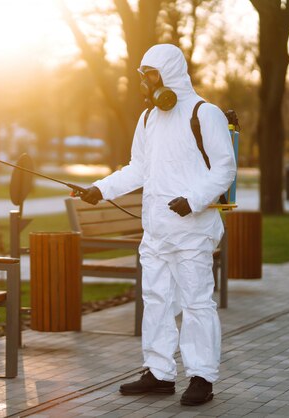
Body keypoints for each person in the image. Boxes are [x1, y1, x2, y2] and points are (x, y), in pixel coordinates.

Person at [80, 44, 236, 406]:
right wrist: (100, 189)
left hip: (193, 230)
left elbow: (224, 168)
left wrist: (193, 200)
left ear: (169, 73)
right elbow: (137, 168)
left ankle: (202, 376)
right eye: (141, 77)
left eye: (150, 76)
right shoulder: (148, 118)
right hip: (156, 231)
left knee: (197, 303)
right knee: (156, 300)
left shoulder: (205, 113)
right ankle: (159, 372)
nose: (144, 84)